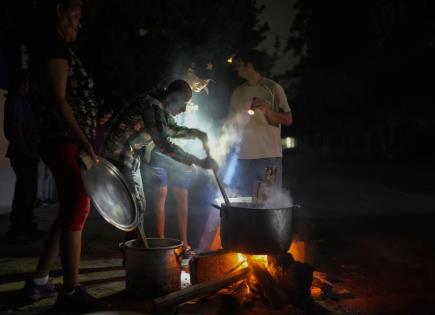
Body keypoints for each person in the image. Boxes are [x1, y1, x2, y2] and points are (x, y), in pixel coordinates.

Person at [24, 0, 102, 311]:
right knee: (79, 207)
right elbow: (58, 97)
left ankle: (40, 281)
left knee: (69, 209)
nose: (78, 25)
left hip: (62, 138)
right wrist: (83, 139)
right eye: (75, 17)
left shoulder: (51, 46)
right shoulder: (53, 45)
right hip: (64, 139)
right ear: (59, 11)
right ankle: (70, 293)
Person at [102, 80, 218, 252]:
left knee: (137, 206)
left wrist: (197, 134)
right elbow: (164, 144)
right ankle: (136, 253)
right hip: (119, 154)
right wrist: (199, 161)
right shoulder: (152, 105)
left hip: (129, 156)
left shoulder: (159, 107)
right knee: (136, 206)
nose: (184, 109)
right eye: (183, 104)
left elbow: (172, 129)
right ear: (172, 97)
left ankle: (132, 251)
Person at [229, 49, 293, 196]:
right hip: (244, 159)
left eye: (239, 65)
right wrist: (241, 115)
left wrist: (267, 110)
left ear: (249, 66)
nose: (236, 68)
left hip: (269, 157)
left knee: (270, 200)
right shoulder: (237, 93)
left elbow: (288, 119)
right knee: (245, 201)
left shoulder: (273, 88)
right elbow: (231, 125)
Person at [3, 69, 44, 244]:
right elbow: (17, 128)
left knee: (28, 191)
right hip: (23, 152)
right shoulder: (16, 102)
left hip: (26, 151)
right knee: (25, 192)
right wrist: (25, 150)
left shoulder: (20, 101)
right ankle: (18, 229)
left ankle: (26, 225)